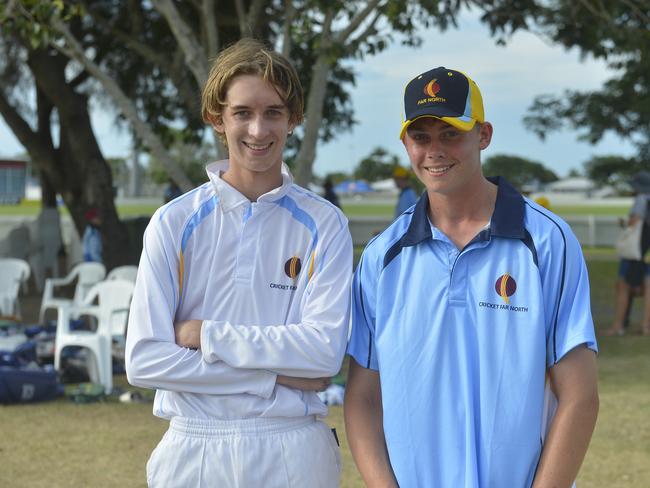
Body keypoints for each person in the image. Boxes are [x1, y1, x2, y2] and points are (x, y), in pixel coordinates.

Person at [344, 66, 599, 487]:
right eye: (421, 137)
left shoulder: (547, 242)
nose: (435, 151)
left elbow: (580, 397)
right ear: (406, 143)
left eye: (451, 134)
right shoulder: (381, 257)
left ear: (483, 135)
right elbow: (362, 399)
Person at [125, 39, 352, 487]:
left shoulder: (324, 224)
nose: (258, 130)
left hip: (292, 449)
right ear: (217, 118)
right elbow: (145, 361)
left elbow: (323, 355)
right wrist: (272, 377)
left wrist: (203, 334)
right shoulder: (174, 222)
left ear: (294, 119)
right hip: (192, 448)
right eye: (242, 113)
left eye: (273, 112)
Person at [606, 170, 650, 336]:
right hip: (647, 251)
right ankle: (645, 325)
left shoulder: (641, 199)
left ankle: (618, 326)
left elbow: (635, 220)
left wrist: (625, 222)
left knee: (623, 285)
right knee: (648, 286)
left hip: (635, 250)